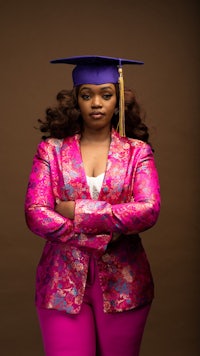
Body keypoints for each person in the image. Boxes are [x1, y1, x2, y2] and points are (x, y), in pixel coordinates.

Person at [25, 55, 160, 356]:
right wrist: (104, 233)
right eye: (87, 95)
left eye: (106, 94)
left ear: (118, 100)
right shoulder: (52, 150)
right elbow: (36, 214)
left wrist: (78, 212)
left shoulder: (138, 153)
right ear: (76, 100)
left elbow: (148, 209)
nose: (96, 103)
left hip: (125, 283)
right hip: (61, 282)